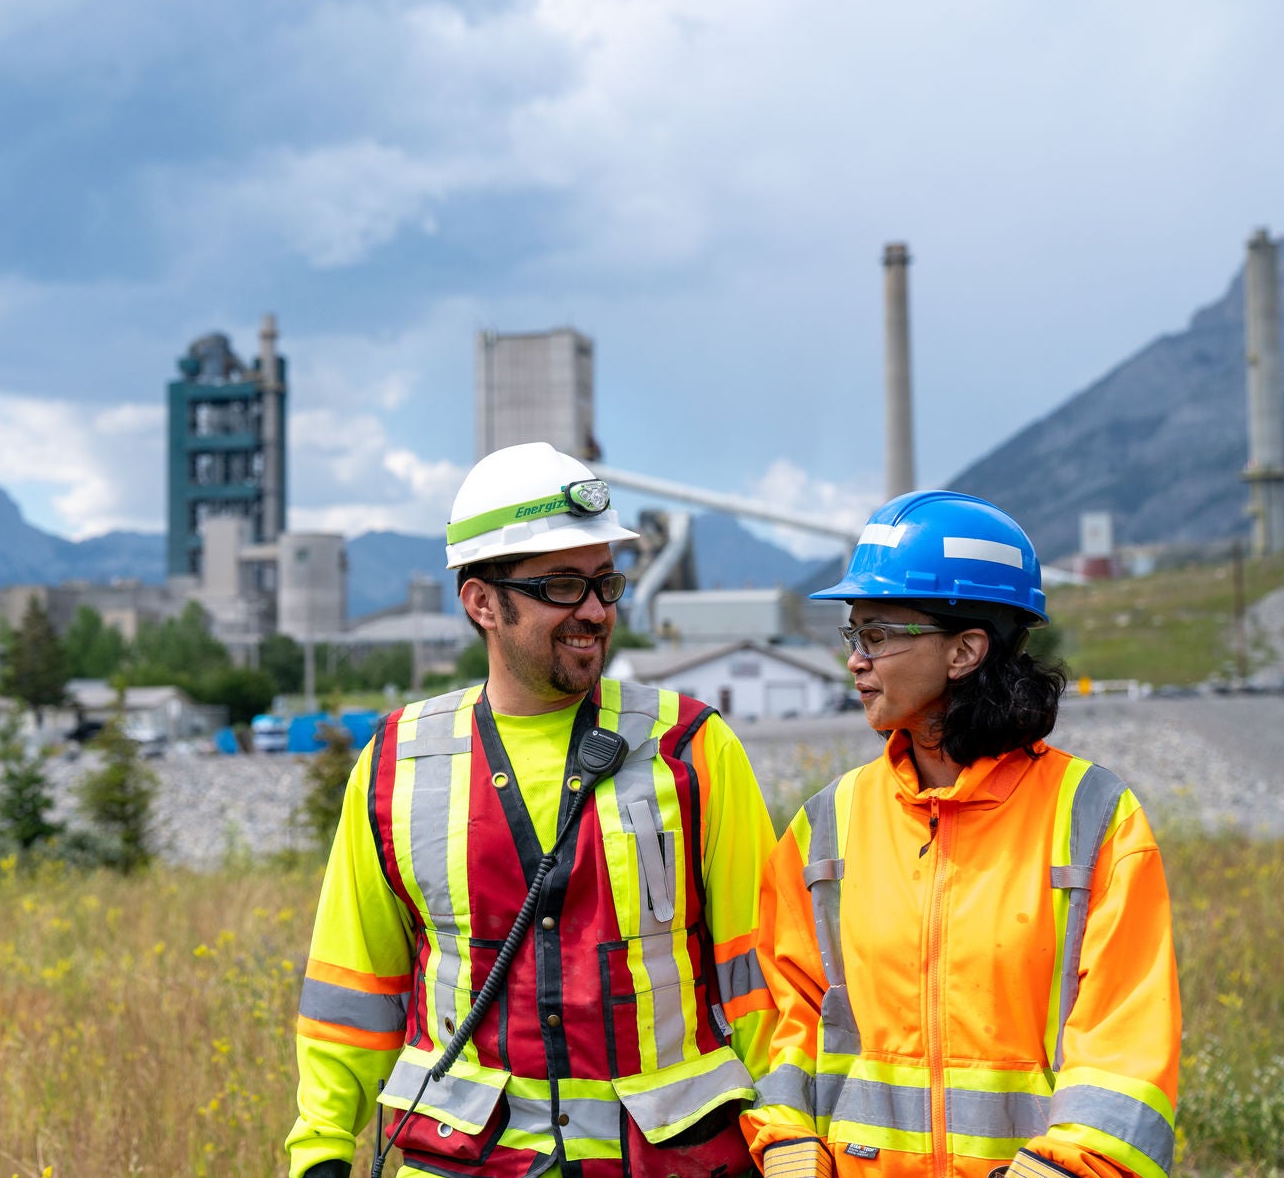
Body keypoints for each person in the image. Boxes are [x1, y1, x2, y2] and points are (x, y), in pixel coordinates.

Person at [285, 442, 777, 1178]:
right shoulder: (398, 764)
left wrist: (791, 1139)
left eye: (606, 583)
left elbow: (764, 983)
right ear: (482, 601)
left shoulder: (694, 750)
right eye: (561, 585)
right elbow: (353, 992)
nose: (593, 611)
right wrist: (321, 1149)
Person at [742, 491, 1179, 1178]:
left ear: (966, 650)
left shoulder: (1095, 820)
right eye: (853, 634)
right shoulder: (828, 824)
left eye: (878, 634)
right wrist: (788, 1140)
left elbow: (1126, 1052)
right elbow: (779, 1013)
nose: (855, 659)